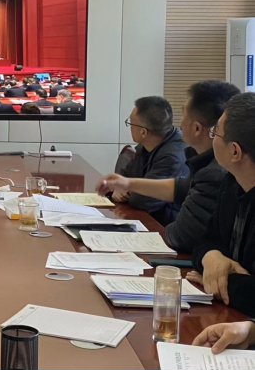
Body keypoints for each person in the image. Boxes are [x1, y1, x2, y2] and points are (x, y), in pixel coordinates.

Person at [95, 81, 240, 253]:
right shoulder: (204, 162)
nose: (178, 125)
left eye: (183, 116)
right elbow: (180, 187)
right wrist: (127, 183)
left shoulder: (213, 172)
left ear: (196, 128)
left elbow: (180, 237)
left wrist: (157, 230)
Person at [188, 93, 255, 315]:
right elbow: (205, 240)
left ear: (235, 151)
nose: (212, 138)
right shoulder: (231, 183)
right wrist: (212, 258)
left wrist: (218, 280)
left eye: (215, 133)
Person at [114, 96, 190, 225]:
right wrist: (119, 187)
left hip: (164, 227)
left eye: (130, 123)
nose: (129, 127)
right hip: (146, 219)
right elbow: (123, 177)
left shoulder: (172, 157)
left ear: (143, 132)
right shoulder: (145, 146)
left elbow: (143, 200)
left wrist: (127, 187)